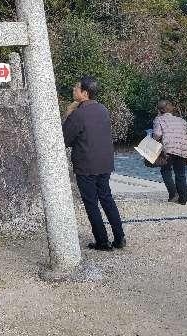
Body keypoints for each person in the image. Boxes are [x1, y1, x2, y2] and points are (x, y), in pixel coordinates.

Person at [62, 76, 126, 251]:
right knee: (106, 198)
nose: (73, 90)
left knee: (91, 202)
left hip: (86, 164)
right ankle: (119, 238)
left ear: (84, 93)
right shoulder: (103, 109)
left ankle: (102, 241)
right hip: (105, 162)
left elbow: (65, 139)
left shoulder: (78, 114)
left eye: (76, 88)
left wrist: (68, 115)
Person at [152, 100, 187, 205]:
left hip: (168, 149)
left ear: (159, 110)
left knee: (165, 170)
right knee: (180, 174)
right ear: (170, 109)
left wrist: (153, 138)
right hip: (181, 149)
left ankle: (173, 195)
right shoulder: (181, 121)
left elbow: (157, 135)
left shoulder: (158, 119)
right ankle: (183, 199)